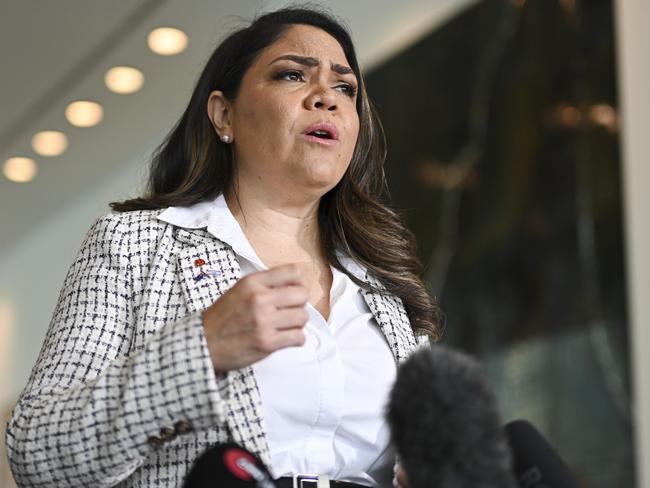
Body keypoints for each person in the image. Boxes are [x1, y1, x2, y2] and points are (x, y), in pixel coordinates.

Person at [6, 7, 441, 487]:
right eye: (293, 75)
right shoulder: (135, 244)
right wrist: (201, 351)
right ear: (223, 114)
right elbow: (37, 451)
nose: (326, 99)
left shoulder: (383, 287)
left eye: (345, 88)